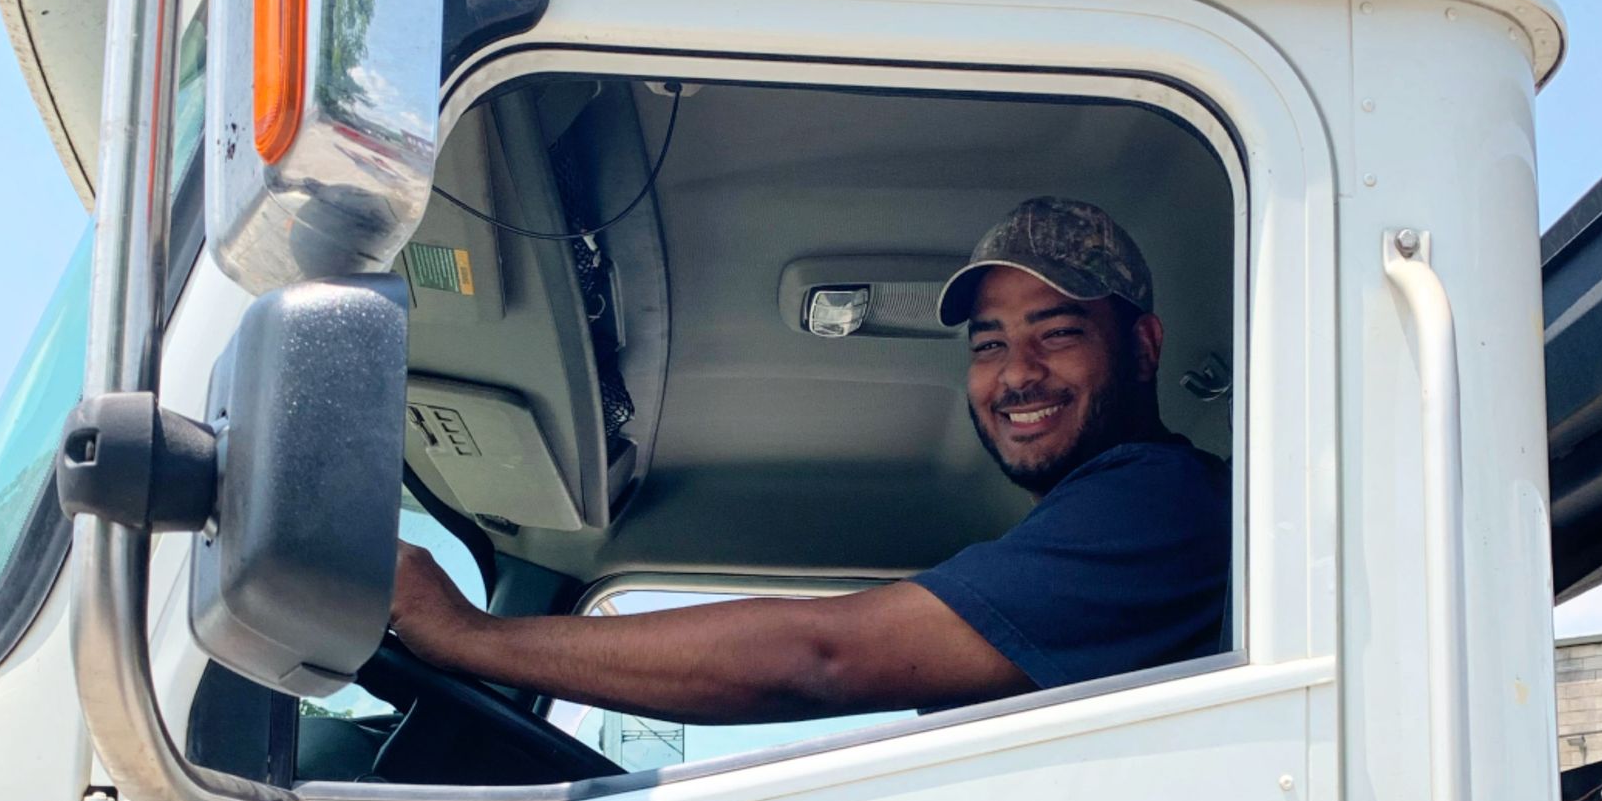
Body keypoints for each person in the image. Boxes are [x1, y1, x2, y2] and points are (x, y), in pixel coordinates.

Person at [388, 197, 1230, 725]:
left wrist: (467, 636)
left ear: (1145, 346)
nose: (1016, 373)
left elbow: (818, 660)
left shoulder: (1157, 503)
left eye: (1058, 333)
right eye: (989, 343)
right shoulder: (1095, 521)